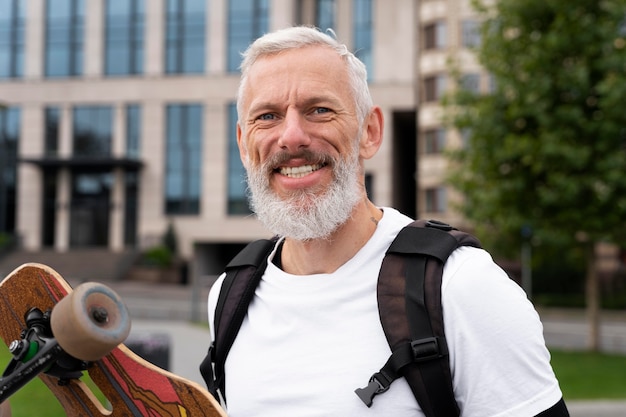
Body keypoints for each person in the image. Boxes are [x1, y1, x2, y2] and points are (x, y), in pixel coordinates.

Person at [207, 25, 568, 417]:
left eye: (319, 110)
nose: (291, 136)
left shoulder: (460, 285)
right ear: (244, 145)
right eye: (268, 116)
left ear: (370, 132)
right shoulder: (230, 296)